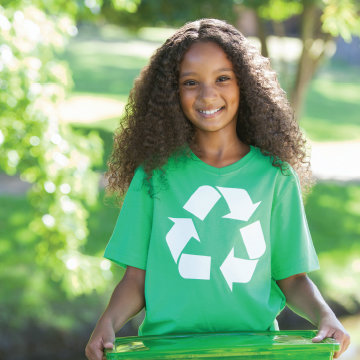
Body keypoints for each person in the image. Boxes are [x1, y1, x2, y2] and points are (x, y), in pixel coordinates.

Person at [85, 18, 350, 360]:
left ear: (246, 85)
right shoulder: (154, 176)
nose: (208, 94)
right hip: (167, 351)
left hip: (254, 350)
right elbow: (136, 279)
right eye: (190, 82)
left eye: (222, 78)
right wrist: (107, 321)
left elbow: (292, 278)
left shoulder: (275, 177)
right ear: (171, 94)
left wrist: (326, 315)